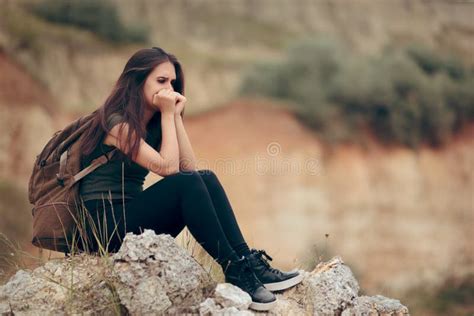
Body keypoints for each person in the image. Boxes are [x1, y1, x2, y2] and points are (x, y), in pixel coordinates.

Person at [76, 47, 303, 311]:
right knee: (188, 183)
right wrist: (169, 114)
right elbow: (170, 171)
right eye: (161, 81)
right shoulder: (116, 123)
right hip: (102, 226)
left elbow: (189, 168)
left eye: (173, 82)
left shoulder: (151, 124)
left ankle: (246, 262)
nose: (170, 89)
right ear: (138, 82)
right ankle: (235, 269)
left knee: (204, 177)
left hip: (129, 214)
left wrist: (174, 118)